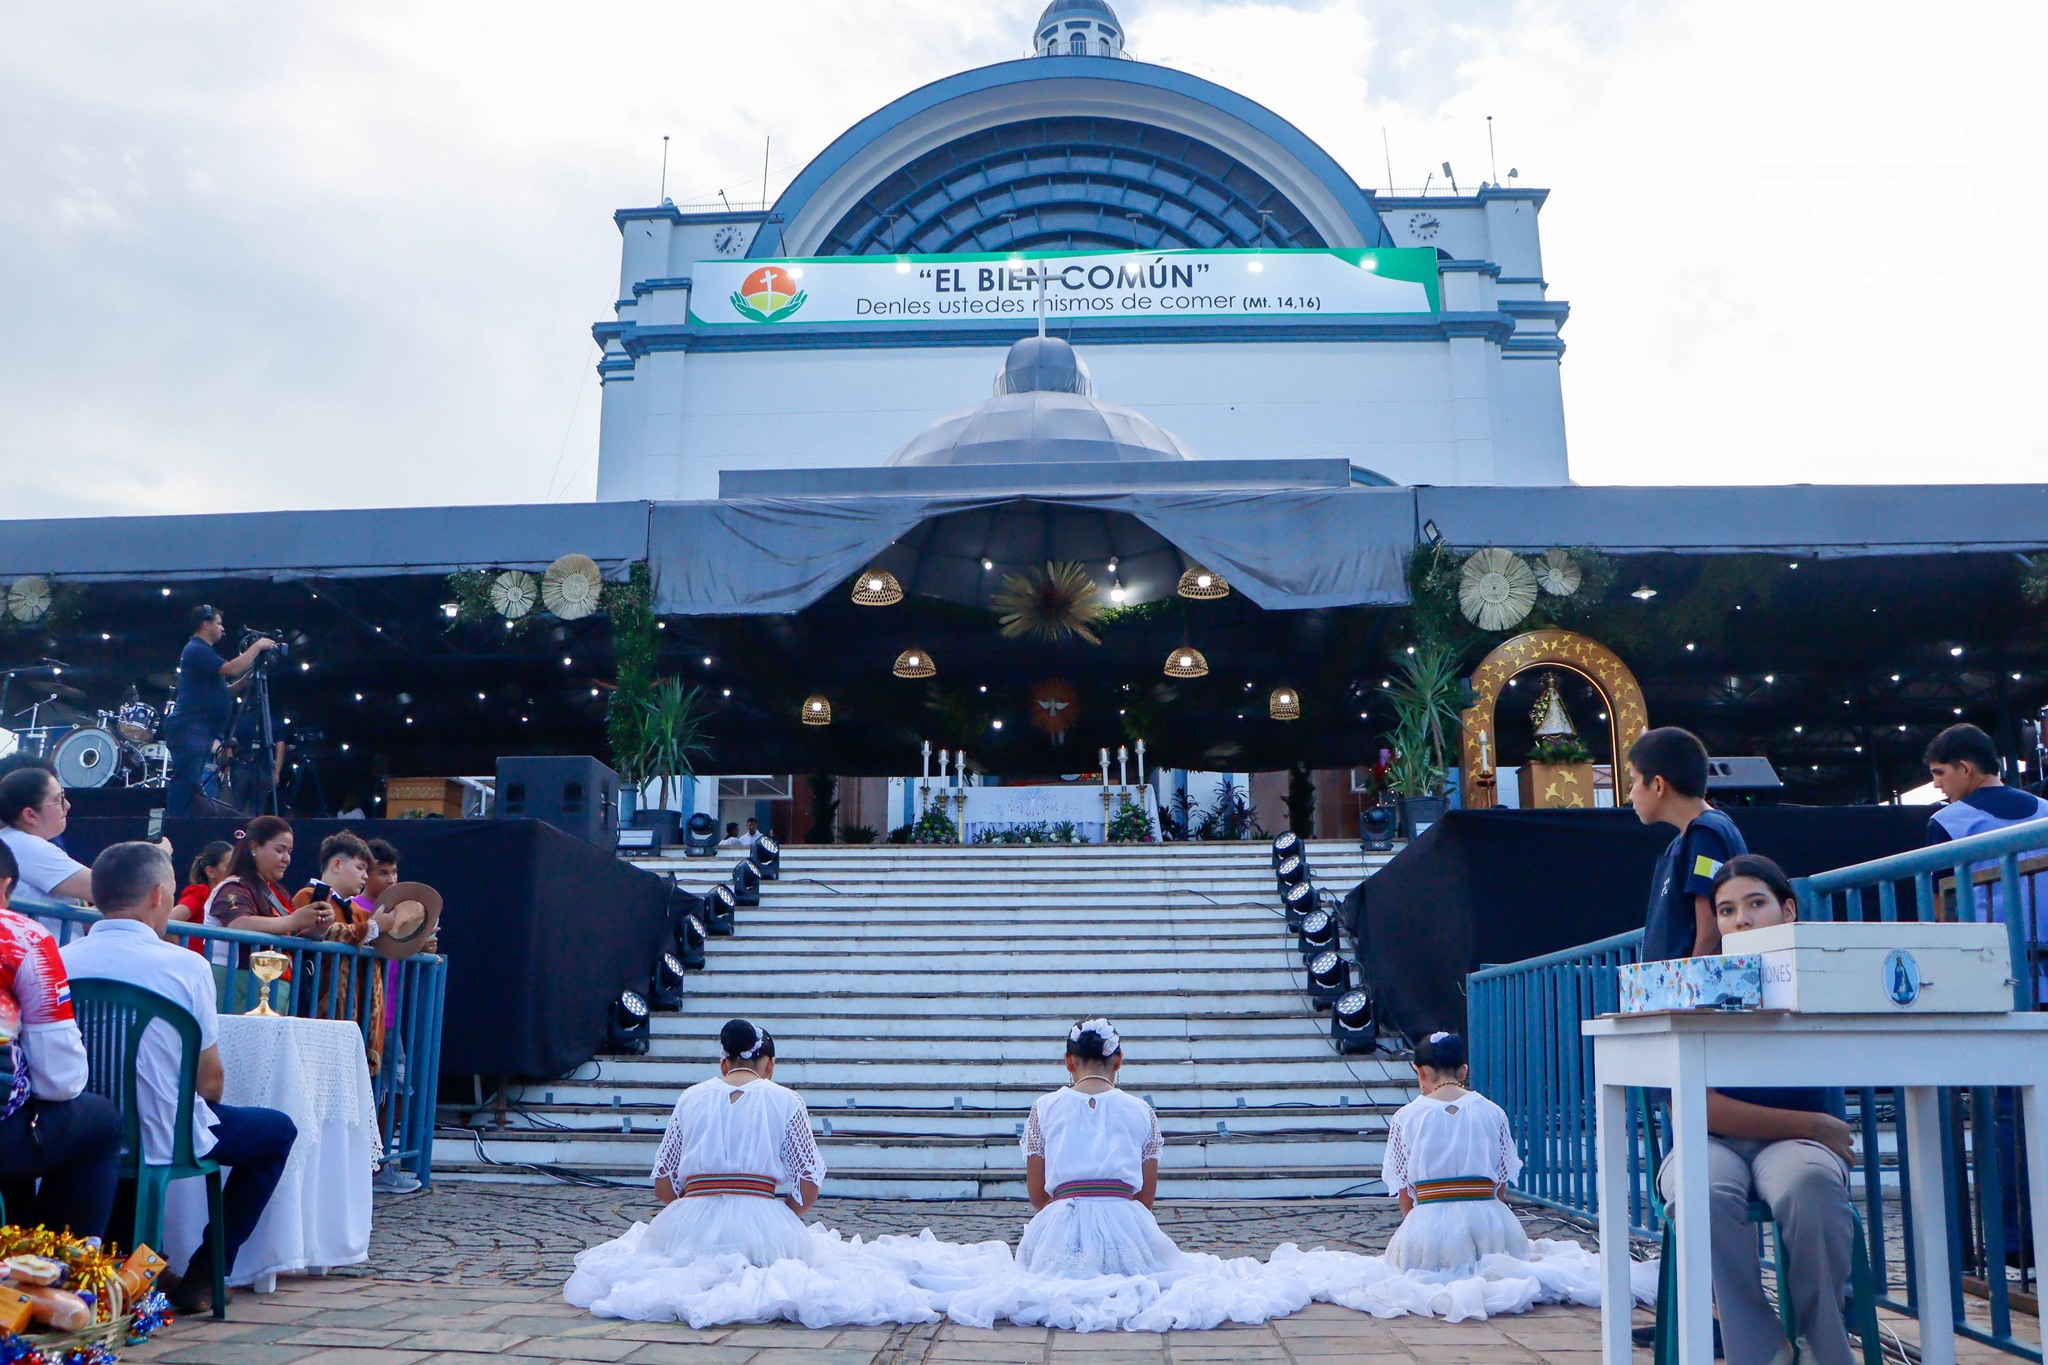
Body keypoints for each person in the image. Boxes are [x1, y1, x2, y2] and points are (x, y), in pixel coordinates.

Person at [565, 1019, 947, 1327]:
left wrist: (691, 1210)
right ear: (768, 1065)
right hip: (762, 1215)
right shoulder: (784, 1099)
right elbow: (809, 1179)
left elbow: (663, 1179)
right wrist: (783, 1218)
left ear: (723, 1063)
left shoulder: (691, 1097)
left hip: (690, 1215)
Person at [62, 842, 299, 1313]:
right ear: (157, 895)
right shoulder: (186, 966)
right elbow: (209, 1084)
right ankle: (208, 1273)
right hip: (163, 1135)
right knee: (277, 1131)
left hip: (81, 1131)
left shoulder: (61, 959)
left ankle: (130, 1264)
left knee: (132, 1122)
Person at [1652, 854, 1856, 1365]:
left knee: (1811, 1185)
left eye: (1755, 903)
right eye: (1725, 910)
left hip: (1795, 1147)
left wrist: (1809, 1133)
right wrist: (1814, 1124)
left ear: (1789, 910)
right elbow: (1695, 1110)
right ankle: (1760, 1350)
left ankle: (1825, 1349)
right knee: (1700, 1188)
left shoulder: (1823, 974)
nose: (1740, 919)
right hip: (1712, 1138)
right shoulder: (1697, 984)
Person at [0, 840, 122, 1241]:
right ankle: (53, 1279)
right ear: (5, 885)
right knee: (100, 1121)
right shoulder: (21, 936)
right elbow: (60, 1079)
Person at [1627, 726, 1746, 961]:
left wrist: (1690, 981)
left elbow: (1711, 926)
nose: (1630, 794)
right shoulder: (1683, 840)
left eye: (1634, 781)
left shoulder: (1706, 834)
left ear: (1658, 785)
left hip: (1693, 991)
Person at [203, 817, 333, 1007]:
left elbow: (292, 933)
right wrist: (294, 920)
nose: (286, 859)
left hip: (275, 988)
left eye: (289, 852)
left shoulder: (279, 892)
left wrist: (318, 926)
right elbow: (238, 924)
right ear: (254, 847)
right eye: (279, 850)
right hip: (237, 984)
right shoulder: (233, 886)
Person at [165, 605, 275, 818]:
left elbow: (226, 691)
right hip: (191, 728)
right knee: (186, 782)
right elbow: (230, 669)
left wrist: (250, 675)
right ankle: (175, 826)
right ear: (206, 625)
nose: (222, 629)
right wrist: (257, 647)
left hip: (200, 730)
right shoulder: (197, 649)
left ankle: (182, 823)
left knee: (191, 783)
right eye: (218, 623)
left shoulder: (204, 653)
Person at [0, 766, 93, 908]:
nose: (67, 805)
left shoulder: (11, 840)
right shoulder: (27, 845)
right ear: (30, 815)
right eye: (59, 799)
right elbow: (117, 892)